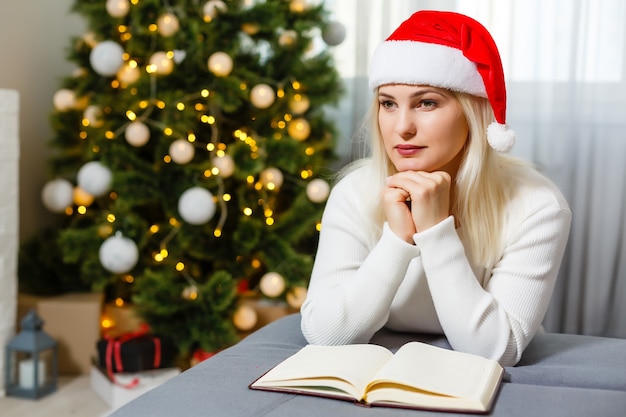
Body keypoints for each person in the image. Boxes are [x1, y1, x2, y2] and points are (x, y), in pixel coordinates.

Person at [300, 10, 572, 366]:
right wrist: (397, 240)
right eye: (388, 104)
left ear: (472, 112)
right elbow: (324, 335)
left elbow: (496, 350)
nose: (402, 127)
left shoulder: (537, 205)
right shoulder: (354, 192)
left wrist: (436, 232)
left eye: (426, 103)